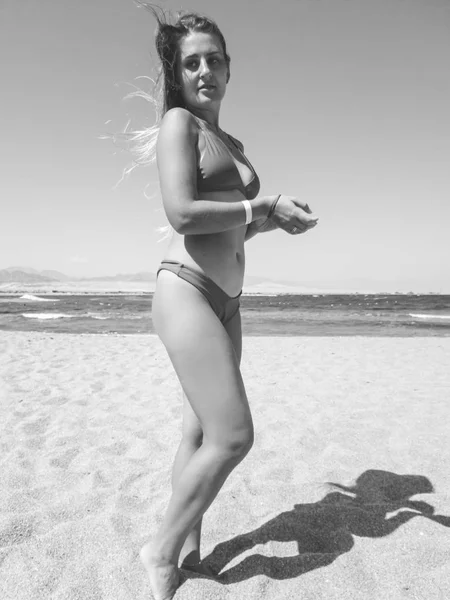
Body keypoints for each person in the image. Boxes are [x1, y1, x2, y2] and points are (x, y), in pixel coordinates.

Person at [130, 5, 318, 599]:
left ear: (229, 70)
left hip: (227, 302)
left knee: (199, 431)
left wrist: (271, 222)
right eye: (192, 62)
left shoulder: (230, 141)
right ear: (178, 75)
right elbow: (182, 213)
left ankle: (189, 554)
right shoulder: (179, 125)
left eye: (214, 59)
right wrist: (262, 206)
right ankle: (160, 552)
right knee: (234, 435)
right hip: (185, 290)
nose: (204, 69)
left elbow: (235, 227)